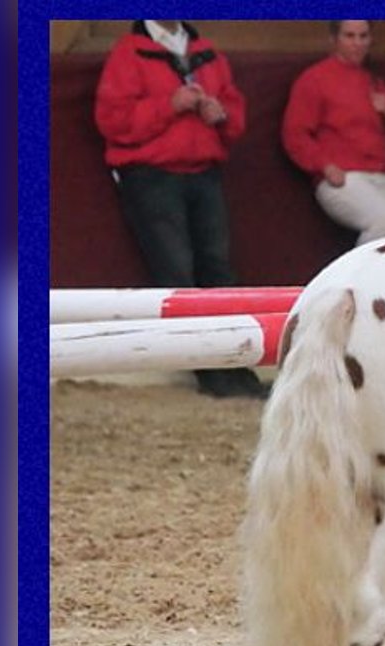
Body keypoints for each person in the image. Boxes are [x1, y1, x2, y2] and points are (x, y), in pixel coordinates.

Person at [95, 20, 265, 398]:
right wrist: (169, 106)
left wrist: (221, 115)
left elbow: (235, 116)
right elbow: (113, 121)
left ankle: (235, 368)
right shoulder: (128, 53)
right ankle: (211, 373)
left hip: (203, 171)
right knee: (179, 275)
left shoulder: (206, 50)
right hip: (152, 176)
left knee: (219, 272)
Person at [282, 20, 385, 246]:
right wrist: (324, 165)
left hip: (384, 174)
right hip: (345, 177)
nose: (357, 43)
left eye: (363, 36)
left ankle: (367, 280)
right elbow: (295, 134)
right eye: (349, 36)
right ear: (334, 40)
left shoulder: (375, 83)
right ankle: (352, 278)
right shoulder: (315, 79)